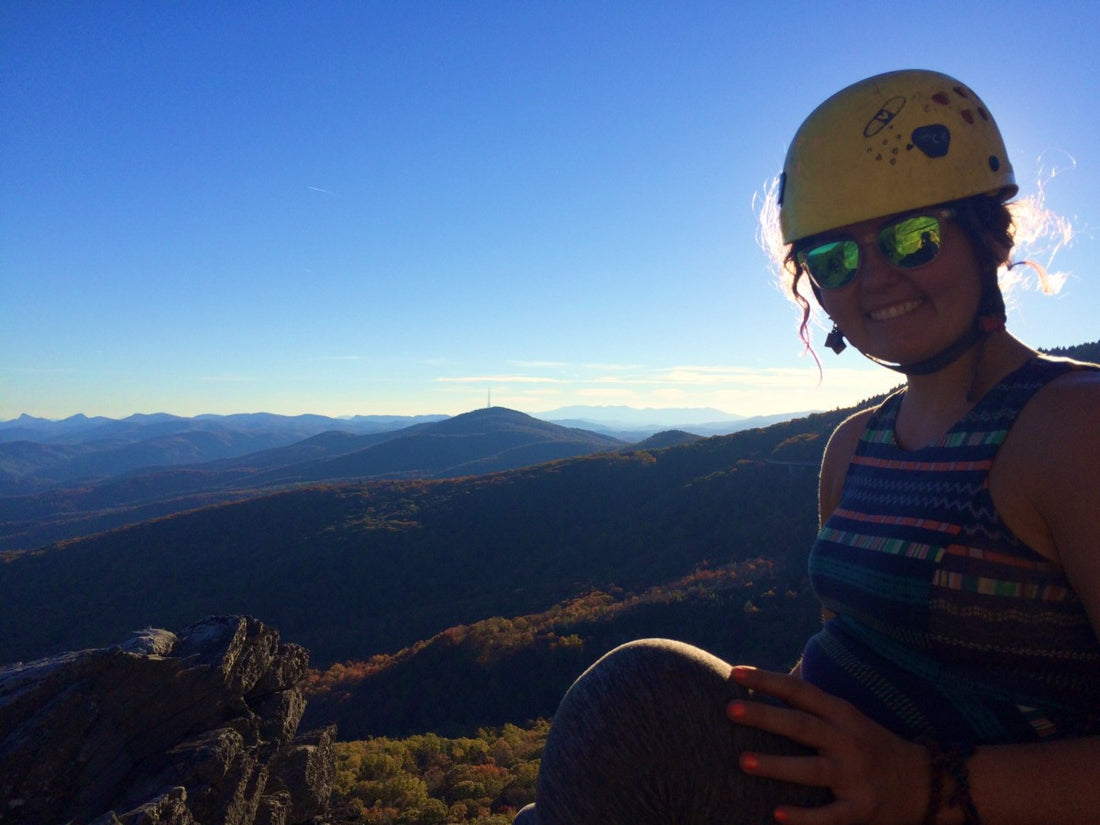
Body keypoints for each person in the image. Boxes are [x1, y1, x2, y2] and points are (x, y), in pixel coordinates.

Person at [514, 69, 1100, 825]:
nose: (875, 277)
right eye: (834, 258)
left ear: (988, 235)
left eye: (912, 236)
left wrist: (923, 785)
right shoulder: (855, 447)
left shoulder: (1073, 425)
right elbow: (853, 651)